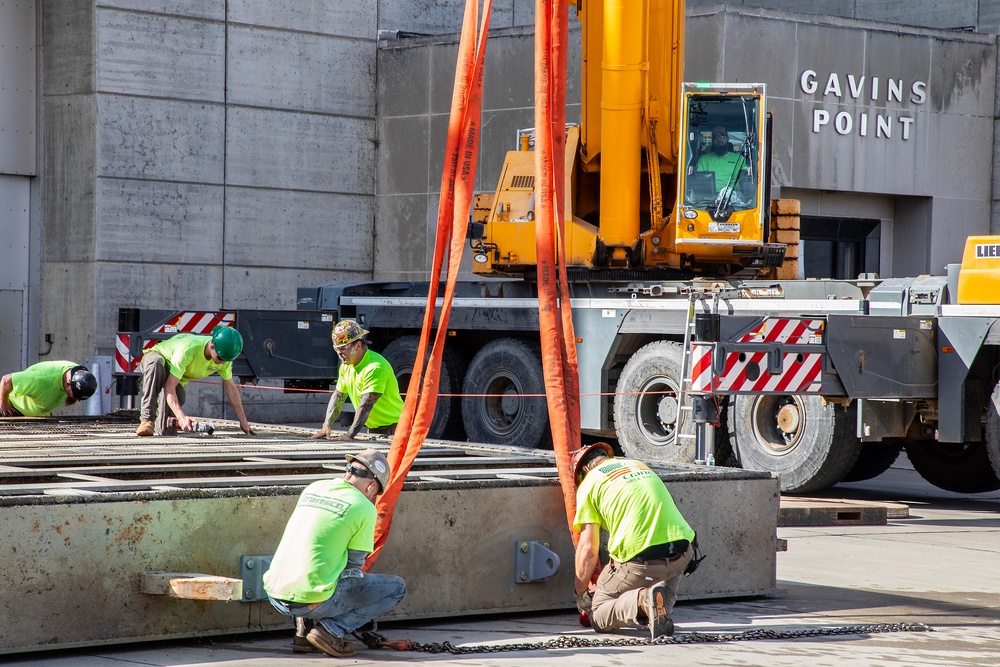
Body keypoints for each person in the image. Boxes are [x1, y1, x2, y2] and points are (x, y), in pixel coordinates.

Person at [263, 448, 406, 657]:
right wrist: (357, 617)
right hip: (310, 600)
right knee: (396, 588)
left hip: (275, 593)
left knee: (313, 565)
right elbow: (353, 569)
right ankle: (331, 631)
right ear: (371, 486)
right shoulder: (364, 508)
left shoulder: (314, 488)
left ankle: (302, 634)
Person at [572, 442, 697, 639]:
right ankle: (655, 603)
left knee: (599, 614)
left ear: (584, 470)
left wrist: (580, 593)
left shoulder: (589, 483)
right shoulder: (638, 465)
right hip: (683, 553)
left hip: (641, 562)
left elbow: (587, 548)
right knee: (659, 607)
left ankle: (643, 600)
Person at [135, 325, 255, 436]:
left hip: (175, 378)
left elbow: (231, 389)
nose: (223, 363)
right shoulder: (188, 350)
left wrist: (243, 421)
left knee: (165, 430)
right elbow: (169, 387)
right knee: (156, 363)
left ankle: (162, 427)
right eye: (220, 358)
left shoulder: (223, 359)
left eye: (226, 360)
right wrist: (181, 417)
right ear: (212, 346)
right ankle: (147, 419)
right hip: (158, 358)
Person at [312, 319, 403, 440]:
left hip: (397, 429)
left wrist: (350, 435)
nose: (339, 353)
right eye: (336, 348)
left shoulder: (375, 367)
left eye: (343, 348)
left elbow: (366, 404)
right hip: (376, 430)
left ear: (358, 345)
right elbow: (338, 396)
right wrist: (326, 426)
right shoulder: (346, 366)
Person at [0, 361, 97, 416]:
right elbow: (6, 381)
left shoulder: (76, 372)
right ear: (68, 384)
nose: (78, 400)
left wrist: (49, 411)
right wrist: (4, 404)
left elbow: (51, 394)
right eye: (76, 396)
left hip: (38, 416)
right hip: (13, 410)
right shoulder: (40, 379)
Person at [695, 125, 746, 195]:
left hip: (733, 196)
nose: (719, 139)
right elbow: (699, 182)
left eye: (722, 136)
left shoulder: (739, 159)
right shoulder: (704, 160)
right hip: (709, 197)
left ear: (727, 139)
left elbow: (745, 180)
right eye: (715, 137)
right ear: (713, 141)